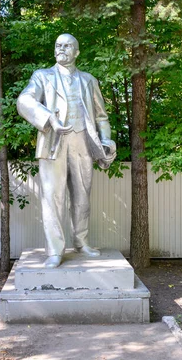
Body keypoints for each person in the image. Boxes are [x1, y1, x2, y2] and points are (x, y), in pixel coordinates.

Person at [17, 33, 116, 268]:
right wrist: (49, 118)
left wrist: (106, 140)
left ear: (77, 52)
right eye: (58, 45)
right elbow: (24, 101)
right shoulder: (42, 76)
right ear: (54, 51)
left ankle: (81, 242)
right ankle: (54, 251)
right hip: (53, 142)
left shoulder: (89, 80)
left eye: (68, 45)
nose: (62, 49)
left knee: (82, 197)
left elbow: (101, 116)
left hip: (83, 142)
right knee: (53, 197)